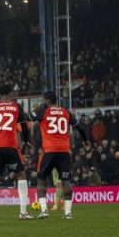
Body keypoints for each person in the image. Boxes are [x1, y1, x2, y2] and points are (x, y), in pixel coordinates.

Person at [31, 91, 90, 219]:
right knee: (65, 181)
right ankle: (68, 213)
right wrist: (86, 140)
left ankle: (44, 210)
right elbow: (80, 128)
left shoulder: (43, 111)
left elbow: (30, 116)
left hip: (50, 150)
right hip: (64, 151)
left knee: (41, 179)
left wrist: (39, 107)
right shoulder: (65, 112)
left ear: (47, 101)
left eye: (43, 100)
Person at [0, 84, 32, 221]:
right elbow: (24, 126)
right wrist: (26, 140)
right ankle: (23, 213)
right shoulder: (16, 107)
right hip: (10, 146)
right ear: (10, 94)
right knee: (21, 175)